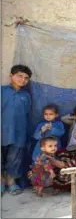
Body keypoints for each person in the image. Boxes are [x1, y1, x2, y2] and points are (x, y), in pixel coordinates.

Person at [1, 64, 32, 196]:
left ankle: (11, 182)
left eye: (26, 78)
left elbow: (27, 114)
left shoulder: (26, 96)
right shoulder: (2, 91)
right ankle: (1, 182)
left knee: (15, 158)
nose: (22, 80)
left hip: (19, 132)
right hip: (3, 130)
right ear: (11, 76)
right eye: (19, 76)